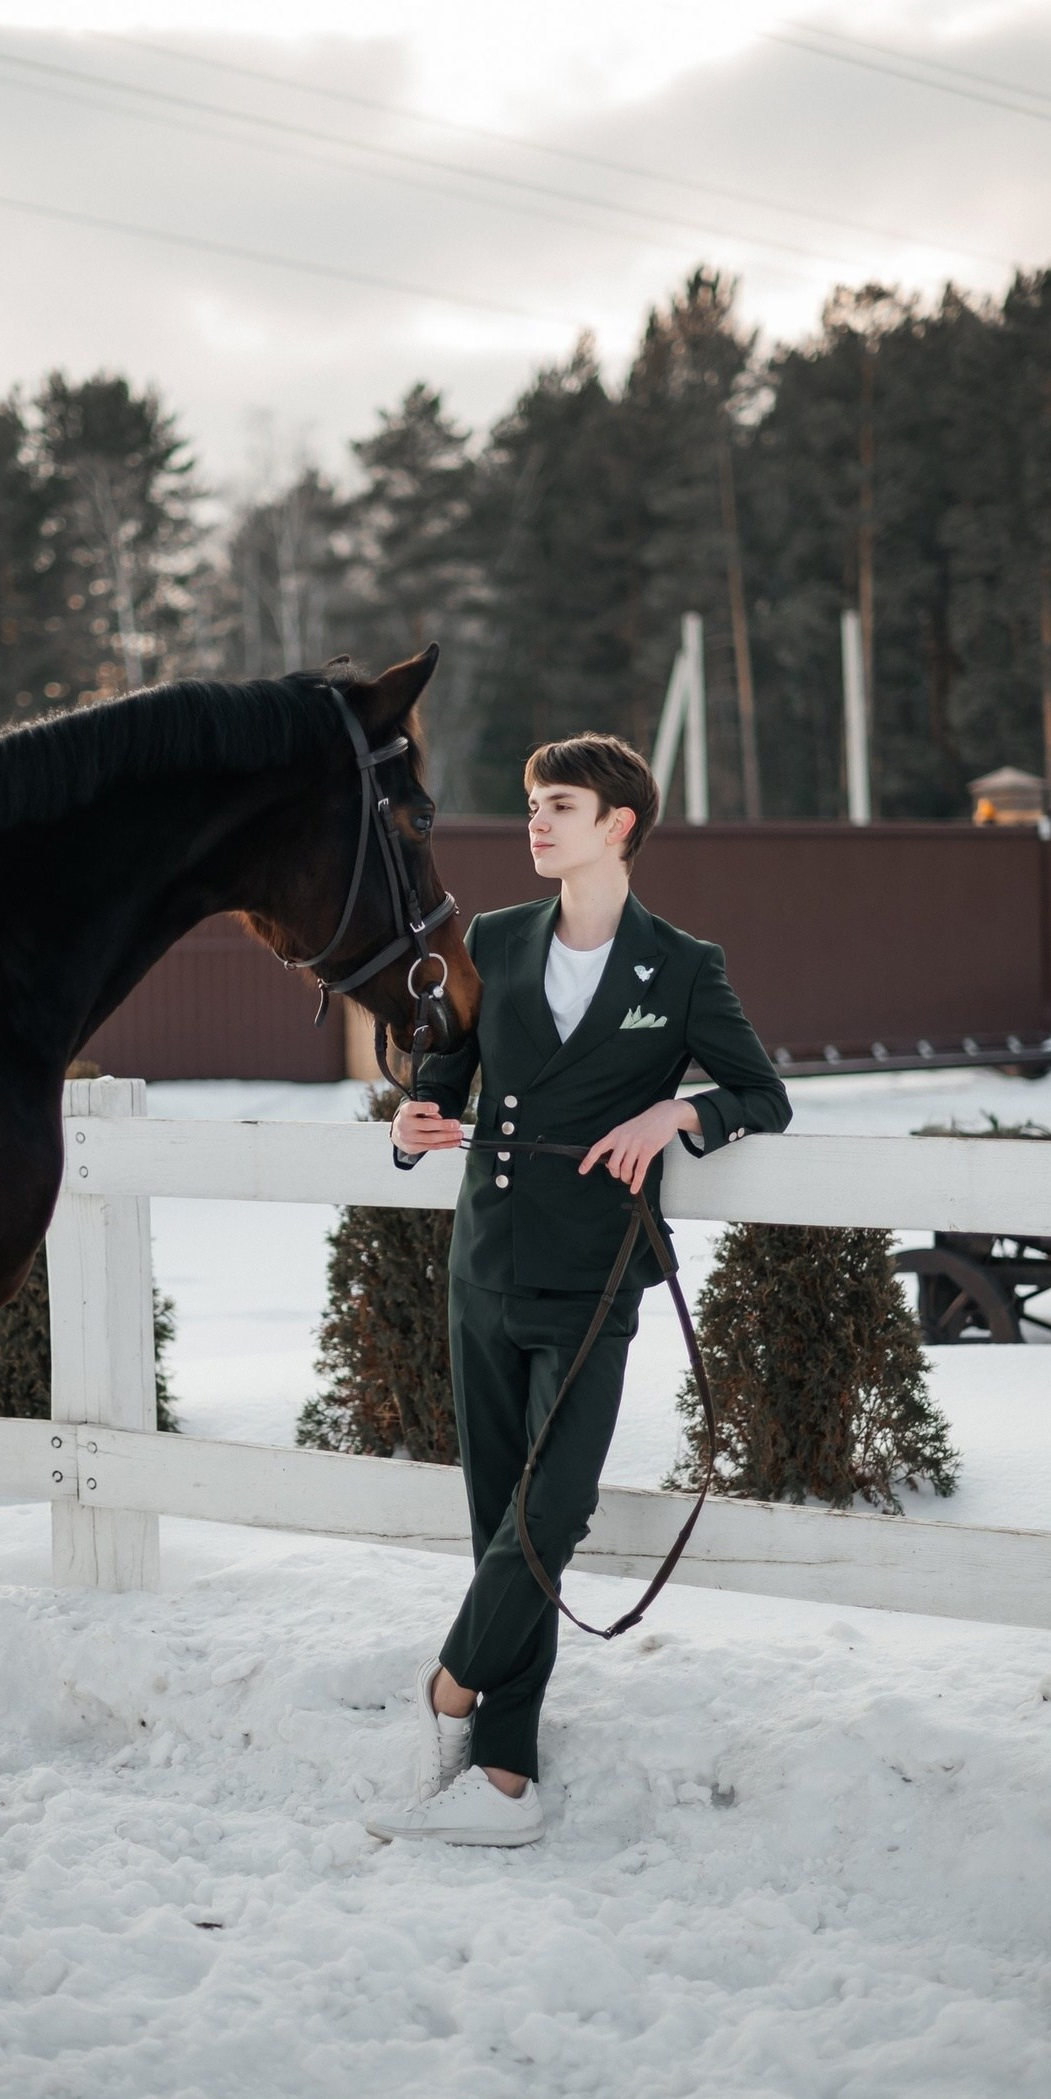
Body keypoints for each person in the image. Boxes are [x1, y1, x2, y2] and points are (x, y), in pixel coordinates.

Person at [365, 734, 791, 1848]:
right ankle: (506, 1776)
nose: (536, 825)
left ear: (620, 826)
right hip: (485, 1261)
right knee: (495, 1514)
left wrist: (676, 1114)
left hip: (597, 1272)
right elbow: (445, 1071)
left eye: (559, 806)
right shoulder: (495, 941)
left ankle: (453, 1688)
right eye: (531, 806)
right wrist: (414, 1118)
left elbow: (761, 1093)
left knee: (553, 1508)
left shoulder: (681, 967)